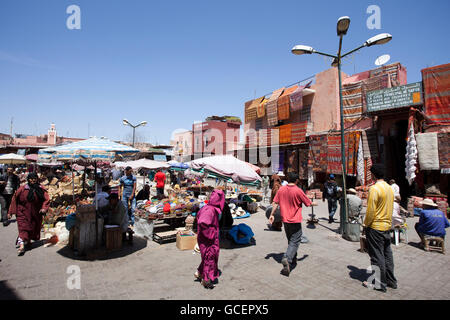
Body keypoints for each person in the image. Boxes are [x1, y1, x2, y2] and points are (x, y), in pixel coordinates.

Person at [269, 172, 313, 277]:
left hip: (285, 221)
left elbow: (275, 203)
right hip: (295, 220)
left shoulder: (282, 189)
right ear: (297, 180)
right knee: (295, 240)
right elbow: (308, 203)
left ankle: (293, 260)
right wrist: (314, 203)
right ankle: (287, 259)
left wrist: (272, 214)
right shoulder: (298, 190)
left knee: (291, 240)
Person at [362, 164, 397, 292]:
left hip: (376, 226)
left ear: (373, 174)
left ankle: (379, 283)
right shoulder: (389, 188)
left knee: (377, 256)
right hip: (387, 225)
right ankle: (391, 280)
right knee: (387, 255)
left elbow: (371, 211)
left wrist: (366, 225)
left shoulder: (374, 189)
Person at [8, 173, 50, 255]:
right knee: (23, 228)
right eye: (31, 179)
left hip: (35, 213)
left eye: (34, 178)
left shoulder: (41, 189)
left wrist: (44, 208)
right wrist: (10, 211)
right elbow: (14, 199)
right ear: (28, 179)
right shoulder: (23, 189)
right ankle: (21, 246)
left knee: (32, 228)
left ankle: (27, 241)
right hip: (22, 213)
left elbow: (46, 199)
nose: (33, 180)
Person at [194, 189, 225, 289]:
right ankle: (206, 280)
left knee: (207, 258)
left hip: (207, 239)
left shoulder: (210, 208)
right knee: (209, 258)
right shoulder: (210, 210)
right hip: (208, 240)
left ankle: (199, 273)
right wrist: (211, 235)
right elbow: (202, 222)